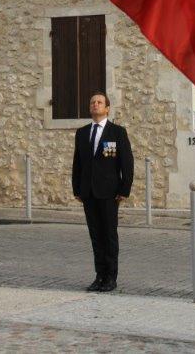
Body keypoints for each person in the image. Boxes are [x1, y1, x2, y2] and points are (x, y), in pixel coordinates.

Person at [71, 91, 133, 293]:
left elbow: (127, 162)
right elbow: (77, 163)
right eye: (92, 102)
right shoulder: (82, 133)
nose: (95, 105)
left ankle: (111, 277)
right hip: (88, 192)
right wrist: (77, 188)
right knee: (95, 236)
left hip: (109, 193)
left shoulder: (117, 132)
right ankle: (99, 276)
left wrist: (125, 188)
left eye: (99, 102)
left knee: (109, 235)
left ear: (107, 108)